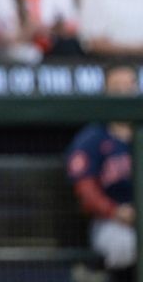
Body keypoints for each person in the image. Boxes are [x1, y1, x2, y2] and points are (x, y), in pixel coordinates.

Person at [66, 65, 138, 282]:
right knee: (123, 245)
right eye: (117, 88)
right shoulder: (92, 137)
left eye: (129, 87)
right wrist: (116, 211)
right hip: (112, 220)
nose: (124, 94)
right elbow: (85, 191)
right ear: (105, 92)